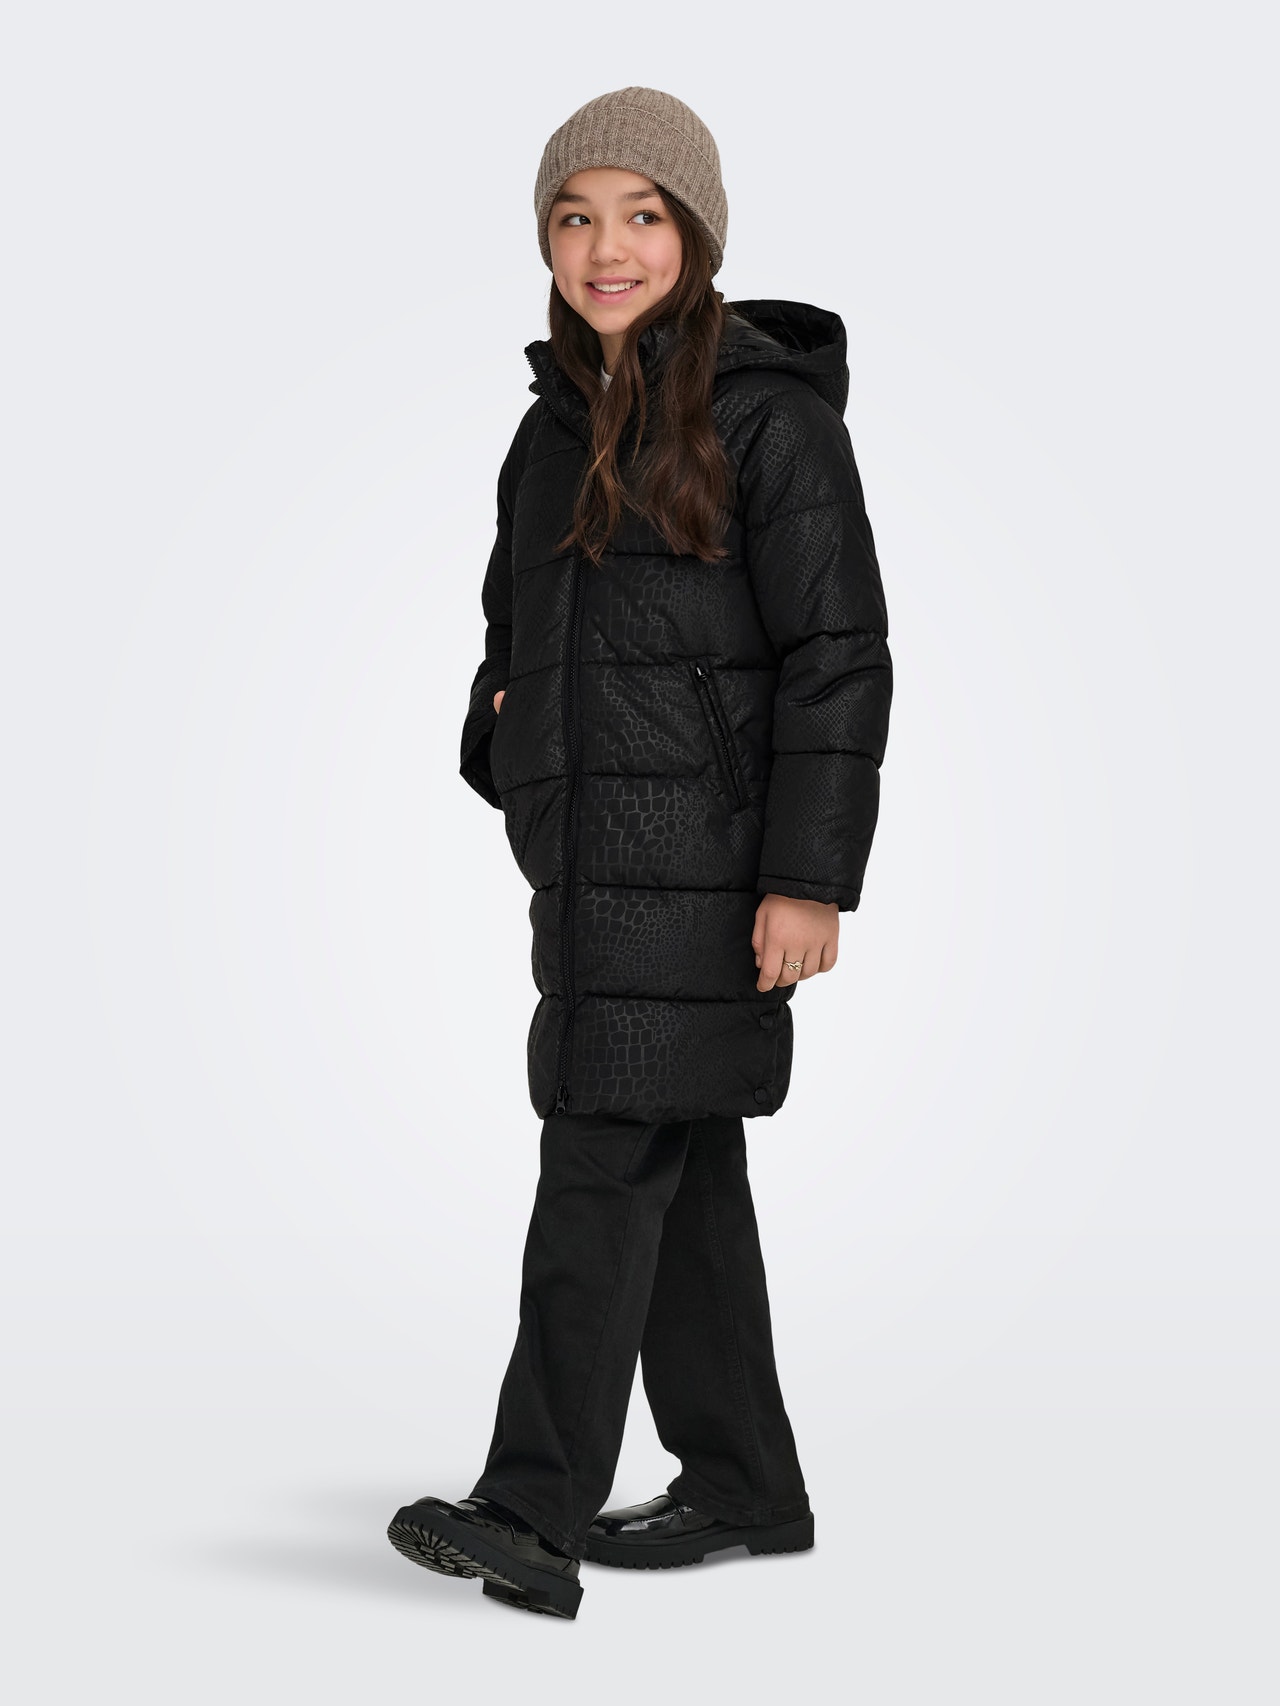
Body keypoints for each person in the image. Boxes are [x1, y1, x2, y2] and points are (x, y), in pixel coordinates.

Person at [387, 85, 893, 1620]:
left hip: (714, 871)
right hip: (592, 873)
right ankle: (745, 1480)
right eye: (576, 216)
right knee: (684, 1173)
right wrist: (505, 752)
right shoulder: (549, 433)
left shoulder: (771, 422)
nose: (607, 247)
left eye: (643, 214)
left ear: (698, 235)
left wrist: (807, 877)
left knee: (600, 1168)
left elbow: (838, 655)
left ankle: (529, 1508)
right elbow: (514, 640)